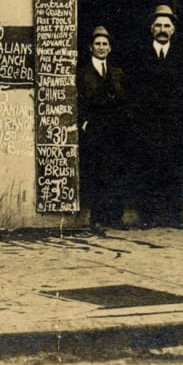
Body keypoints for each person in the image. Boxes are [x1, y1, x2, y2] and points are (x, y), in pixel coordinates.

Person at [130, 4, 183, 229]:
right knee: (147, 168)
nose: (162, 29)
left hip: (174, 123)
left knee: (174, 169)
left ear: (173, 31)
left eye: (166, 26)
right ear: (151, 29)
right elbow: (132, 89)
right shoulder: (139, 55)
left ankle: (172, 216)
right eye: (158, 25)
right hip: (147, 123)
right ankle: (147, 216)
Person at [76, 26, 128, 229]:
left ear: (110, 48)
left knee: (116, 171)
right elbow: (79, 101)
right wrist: (85, 123)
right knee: (97, 172)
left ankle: (116, 217)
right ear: (91, 47)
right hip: (95, 128)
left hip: (115, 129)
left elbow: (125, 100)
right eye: (97, 43)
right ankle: (97, 217)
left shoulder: (117, 73)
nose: (101, 47)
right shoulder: (83, 73)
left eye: (105, 44)